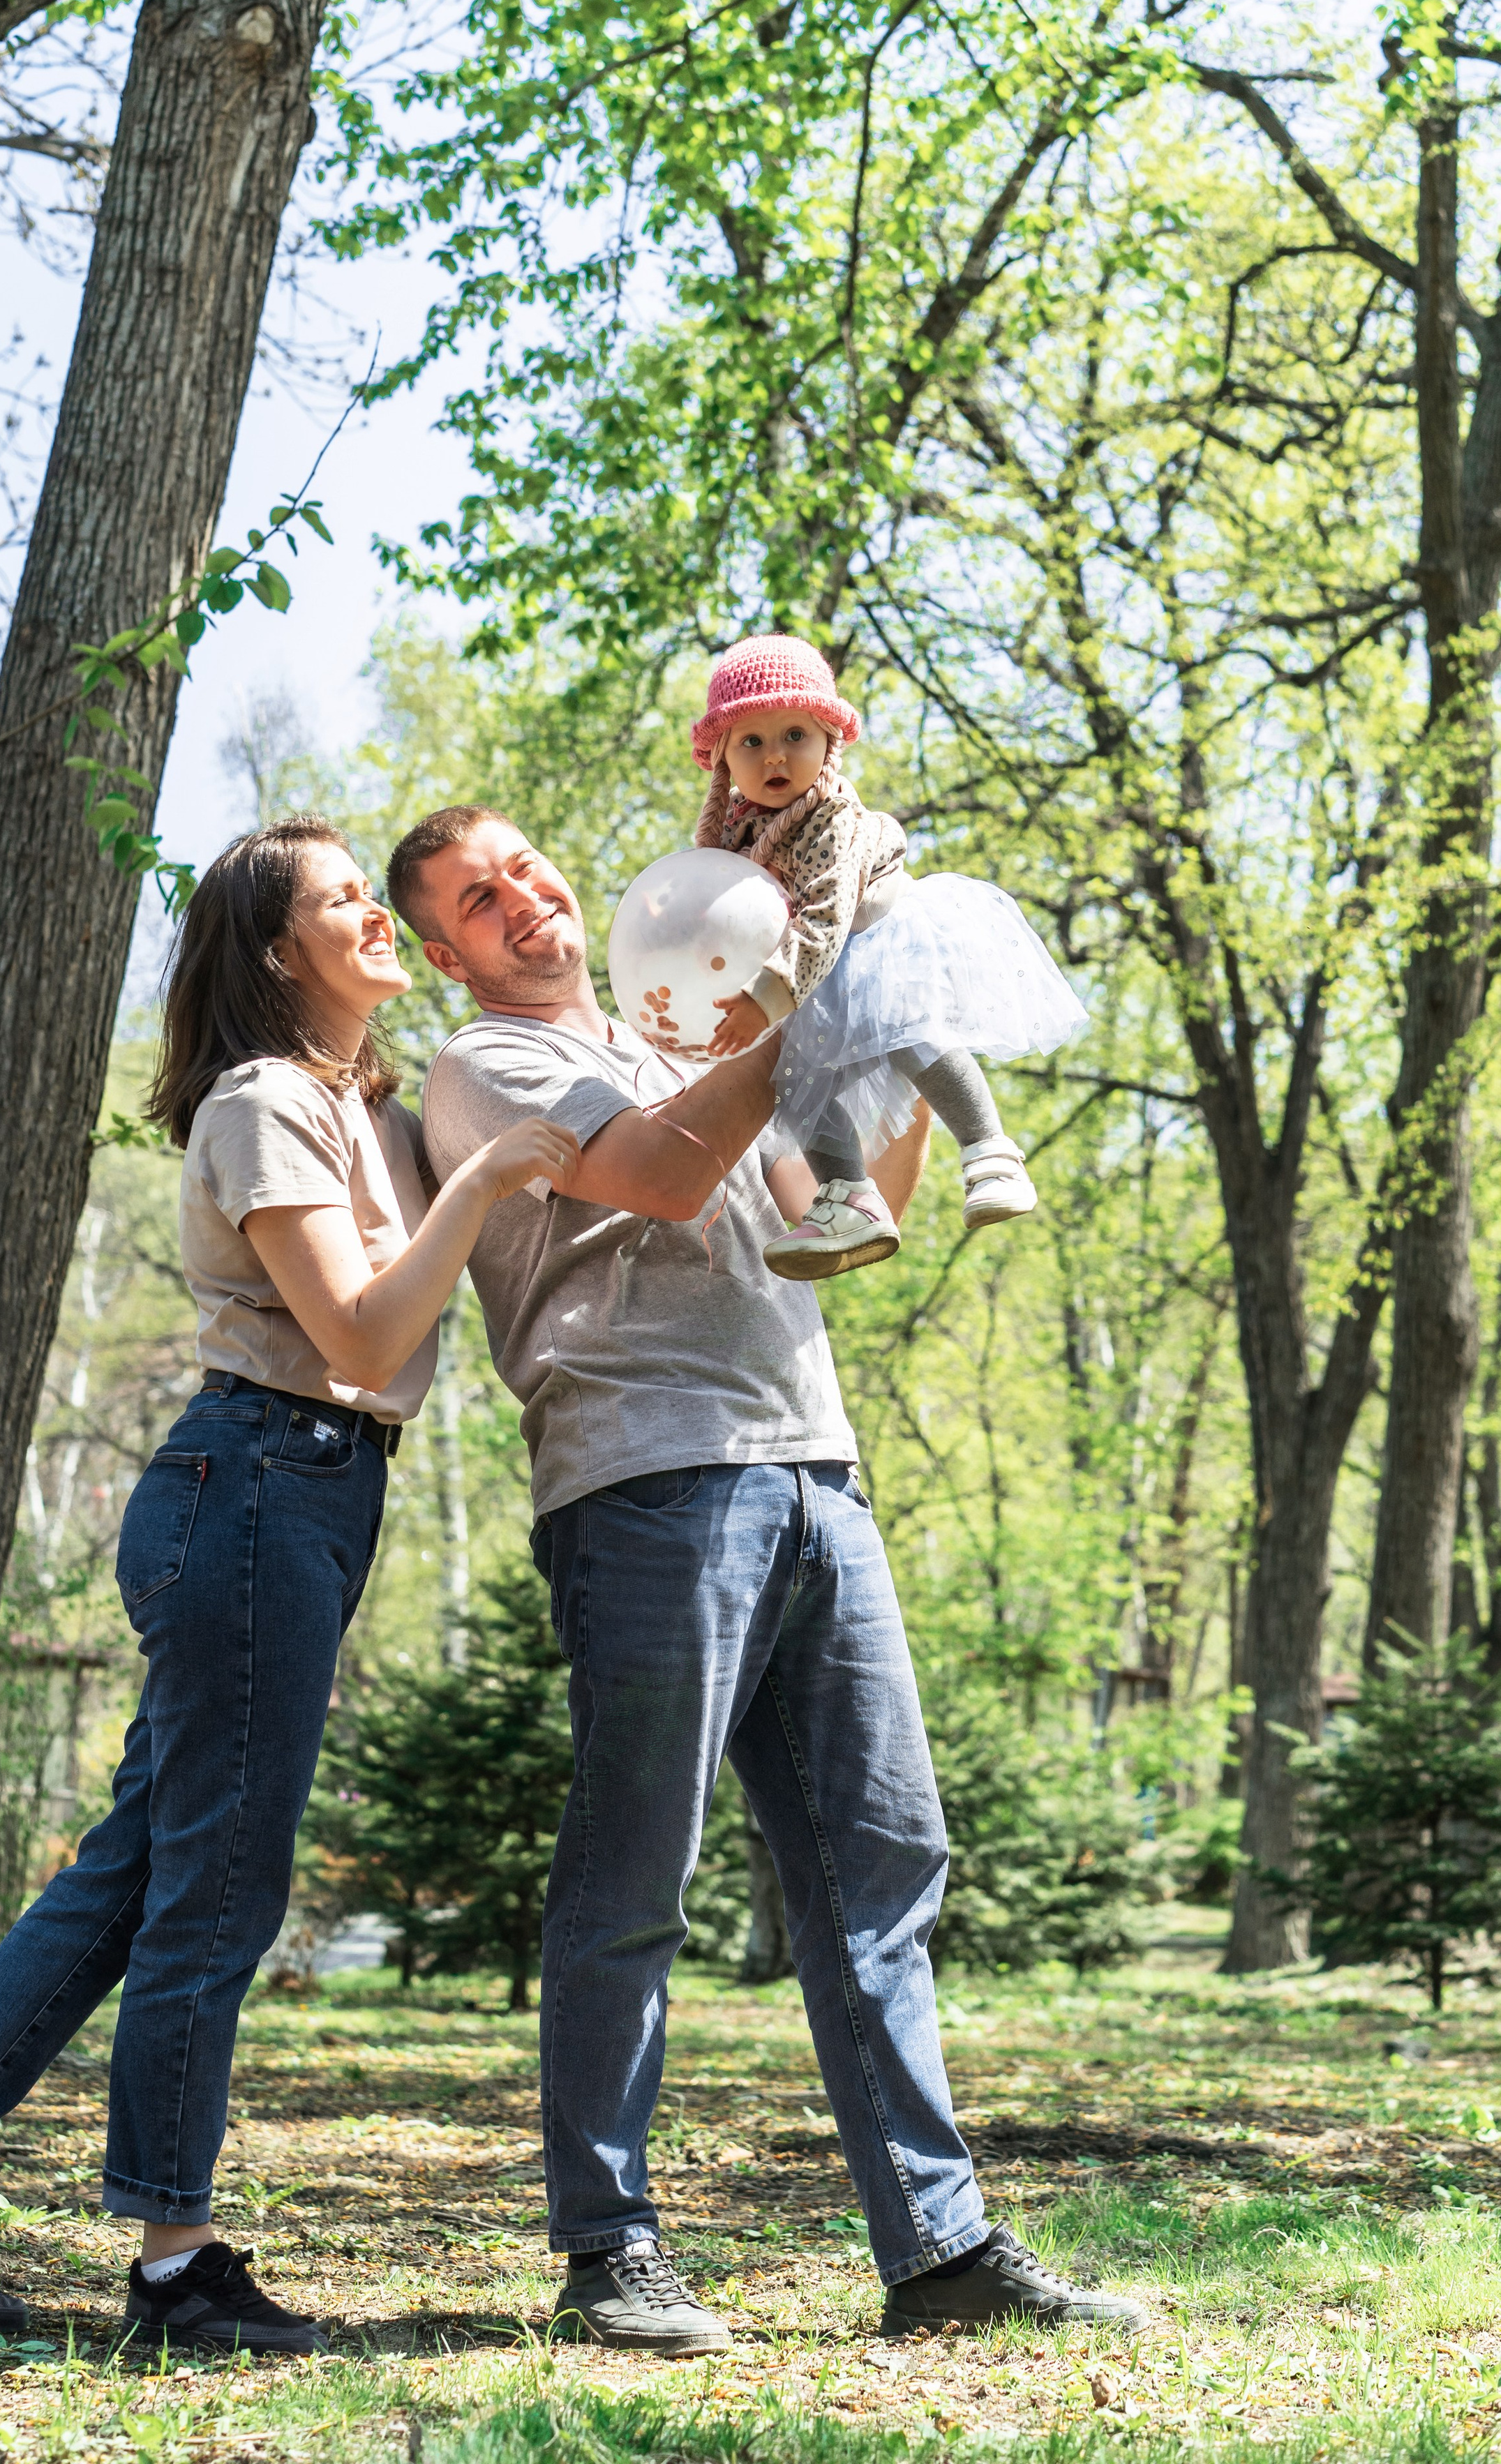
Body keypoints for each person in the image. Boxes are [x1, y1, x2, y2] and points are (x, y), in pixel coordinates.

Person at [385, 804, 1148, 2355]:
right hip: (648, 1484)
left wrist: (883, 1011)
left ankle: (937, 2254)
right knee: (633, 1879)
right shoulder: (486, 1070)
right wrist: (803, 998)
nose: (523, 901)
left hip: (815, 1471)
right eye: (478, 899)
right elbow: (662, 1176)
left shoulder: (684, 1035)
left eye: (532, 868)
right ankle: (608, 2252)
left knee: (883, 1871)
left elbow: (850, 1208)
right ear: (439, 949)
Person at [0, 816, 576, 2355]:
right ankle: (173, 2265)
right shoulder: (258, 1107)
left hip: (305, 1499)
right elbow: (364, 1336)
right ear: (271, 949)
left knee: (134, 1873)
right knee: (214, 1894)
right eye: (343, 902)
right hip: (250, 1486)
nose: (376, 915)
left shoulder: (363, 1106)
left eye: (378, 898)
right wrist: (488, 1176)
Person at [689, 633, 1087, 1281]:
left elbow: (823, 917)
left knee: (908, 1031)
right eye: (751, 742)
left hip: (874, 941)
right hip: (809, 971)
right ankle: (850, 1200)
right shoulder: (737, 831)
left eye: (795, 734)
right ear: (725, 759)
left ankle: (991, 1153)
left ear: (828, 740)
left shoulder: (833, 817)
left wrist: (764, 998)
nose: (776, 757)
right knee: (795, 1084)